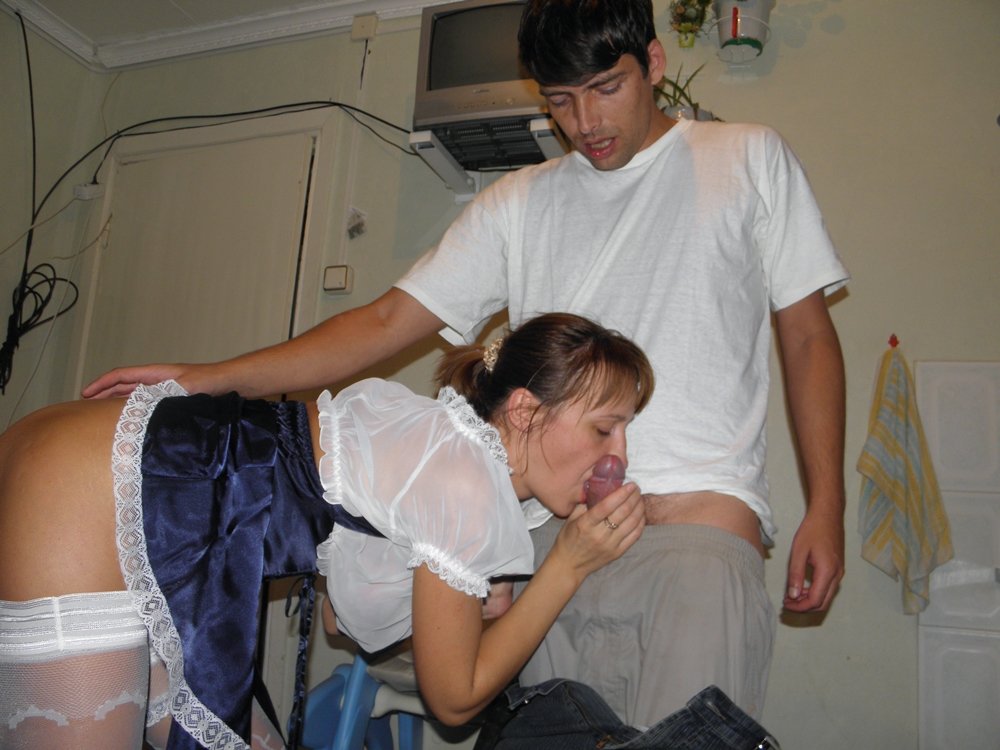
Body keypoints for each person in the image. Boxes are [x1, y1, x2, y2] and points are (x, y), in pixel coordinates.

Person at [81, 0, 849, 728]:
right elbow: (385, 322)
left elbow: (809, 339)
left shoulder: (747, 156)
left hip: (694, 541)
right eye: (560, 100)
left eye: (605, 88)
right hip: (544, 553)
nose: (585, 122)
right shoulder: (519, 201)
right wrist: (208, 378)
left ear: (652, 61)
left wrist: (827, 505)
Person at [0, 313, 654, 750]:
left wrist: (479, 589)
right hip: (93, 487)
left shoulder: (437, 440)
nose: (618, 454)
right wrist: (568, 564)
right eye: (604, 428)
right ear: (525, 411)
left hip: (88, 463)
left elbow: (345, 619)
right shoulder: (466, 482)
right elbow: (454, 701)